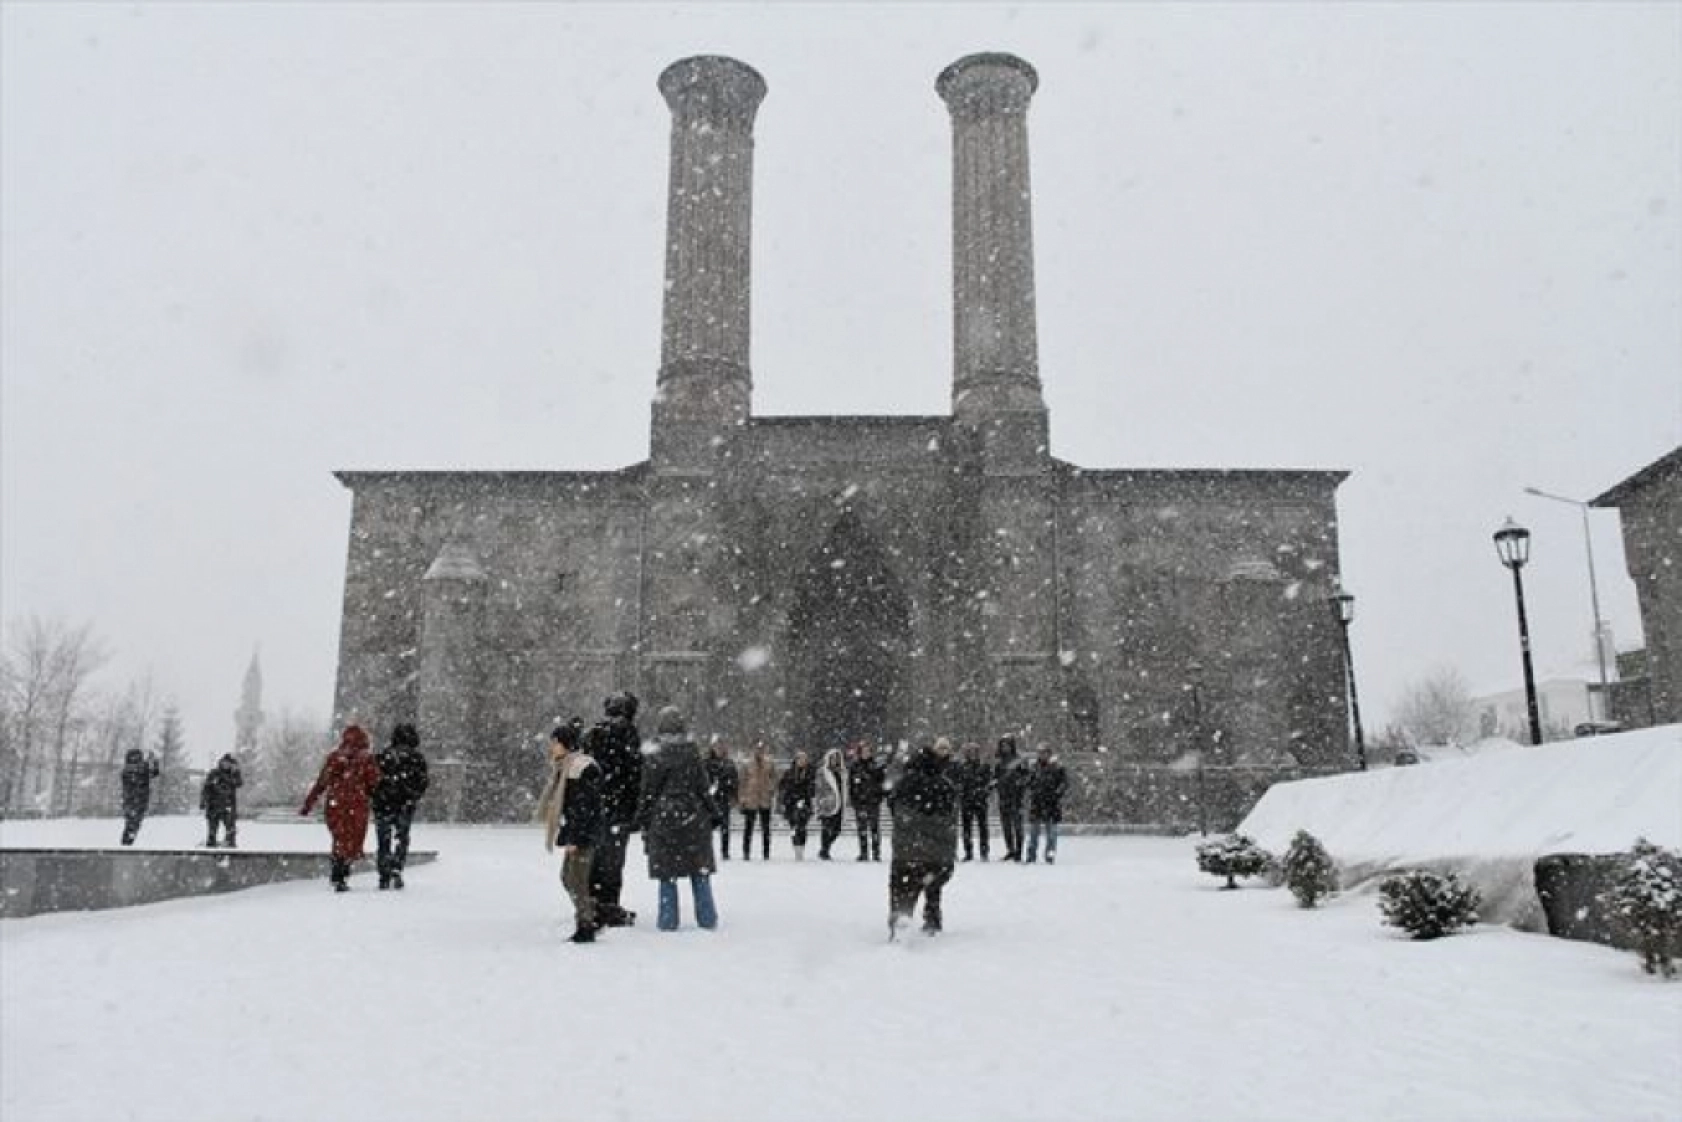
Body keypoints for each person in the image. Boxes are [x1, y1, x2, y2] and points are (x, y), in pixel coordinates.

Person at [635, 707, 719, 931]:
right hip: (694, 816)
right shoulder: (693, 754)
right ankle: (706, 917)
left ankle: (668, 919)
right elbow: (703, 787)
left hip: (664, 819)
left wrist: (642, 817)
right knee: (699, 871)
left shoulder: (655, 755)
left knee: (667, 873)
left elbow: (648, 792)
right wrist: (714, 814)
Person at [537, 722, 604, 943]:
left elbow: (583, 808)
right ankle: (595, 913)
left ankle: (587, 924)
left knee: (576, 880)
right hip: (578, 831)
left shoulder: (579, 768)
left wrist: (576, 838)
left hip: (583, 834)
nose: (552, 747)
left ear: (565, 744)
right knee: (569, 878)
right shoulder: (564, 767)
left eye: (555, 743)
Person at [887, 742, 959, 938]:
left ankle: (900, 916)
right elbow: (951, 817)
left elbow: (893, 806)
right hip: (936, 849)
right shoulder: (945, 786)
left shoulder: (903, 784)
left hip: (907, 846)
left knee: (901, 884)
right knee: (932, 884)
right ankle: (932, 918)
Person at [584, 691, 643, 927]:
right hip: (619, 808)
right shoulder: (628, 733)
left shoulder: (594, 733)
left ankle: (591, 904)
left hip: (595, 808)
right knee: (613, 861)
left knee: (596, 859)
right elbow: (635, 773)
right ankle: (608, 906)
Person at [299, 725, 382, 892]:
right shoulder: (366, 759)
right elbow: (374, 783)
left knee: (339, 838)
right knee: (353, 839)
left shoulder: (335, 757)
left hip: (335, 804)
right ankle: (342, 872)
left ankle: (338, 871)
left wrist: (308, 804)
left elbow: (322, 782)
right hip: (357, 804)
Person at [372, 723, 430, 889]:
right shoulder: (416, 758)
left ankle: (384, 872)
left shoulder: (384, 756)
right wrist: (413, 796)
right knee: (401, 837)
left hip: (383, 804)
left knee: (383, 839)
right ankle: (396, 867)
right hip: (404, 804)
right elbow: (423, 781)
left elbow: (373, 779)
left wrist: (377, 796)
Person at [1025, 744, 1070, 864]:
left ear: (1049, 754)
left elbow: (1064, 784)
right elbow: (1028, 782)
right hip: (1037, 804)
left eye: (1044, 752)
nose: (1042, 755)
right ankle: (1031, 856)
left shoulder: (1058, 768)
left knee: (1052, 835)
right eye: (1040, 753)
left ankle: (1050, 856)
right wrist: (1032, 789)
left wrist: (1056, 793)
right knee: (1033, 834)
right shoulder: (1034, 767)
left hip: (1052, 805)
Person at [848, 740, 890, 862]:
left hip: (873, 802)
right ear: (860, 753)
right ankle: (863, 853)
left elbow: (882, 783)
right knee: (862, 829)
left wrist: (879, 797)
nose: (866, 753)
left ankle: (876, 853)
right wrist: (854, 801)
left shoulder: (877, 765)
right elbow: (851, 785)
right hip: (860, 802)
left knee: (874, 828)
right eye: (864, 751)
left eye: (868, 751)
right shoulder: (855, 766)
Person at [737, 742, 778, 861]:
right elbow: (742, 782)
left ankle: (766, 852)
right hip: (751, 800)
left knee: (766, 828)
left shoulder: (770, 763)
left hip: (765, 799)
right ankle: (746, 852)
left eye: (761, 749)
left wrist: (771, 787)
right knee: (748, 828)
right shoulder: (747, 764)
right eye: (757, 749)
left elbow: (775, 778)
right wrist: (742, 798)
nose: (759, 751)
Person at [955, 742, 993, 862]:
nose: (972, 754)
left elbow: (990, 783)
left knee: (983, 828)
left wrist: (984, 792)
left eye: (974, 752)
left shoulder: (984, 767)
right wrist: (962, 793)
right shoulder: (962, 767)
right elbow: (959, 783)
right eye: (970, 752)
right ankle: (968, 852)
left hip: (981, 801)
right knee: (967, 829)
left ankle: (984, 852)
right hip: (966, 802)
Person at [994, 736, 1028, 862]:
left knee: (1018, 827)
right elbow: (996, 778)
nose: (1005, 748)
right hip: (1003, 797)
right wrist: (995, 784)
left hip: (1016, 798)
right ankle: (1010, 850)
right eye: (1003, 745)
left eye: (1007, 745)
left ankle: (1019, 852)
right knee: (1006, 827)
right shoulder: (999, 762)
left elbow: (1026, 777)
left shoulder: (1019, 761)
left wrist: (1019, 783)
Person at [703, 742, 740, 860]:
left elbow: (735, 780)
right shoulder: (706, 763)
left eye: (721, 747)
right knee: (708, 827)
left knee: (725, 826)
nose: (719, 750)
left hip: (724, 798)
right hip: (710, 799)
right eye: (716, 747)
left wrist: (734, 795)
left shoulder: (729, 764)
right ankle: (707, 850)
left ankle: (725, 851)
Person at [779, 750, 816, 861]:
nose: (801, 761)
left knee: (802, 827)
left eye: (804, 759)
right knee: (793, 827)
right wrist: (785, 798)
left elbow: (812, 788)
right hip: (791, 803)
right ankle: (796, 848)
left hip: (804, 803)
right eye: (799, 759)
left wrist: (806, 796)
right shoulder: (789, 773)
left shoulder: (810, 772)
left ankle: (801, 848)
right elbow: (782, 786)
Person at [200, 753, 243, 848]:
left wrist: (235, 771)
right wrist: (203, 801)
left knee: (231, 830)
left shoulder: (233, 774)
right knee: (212, 831)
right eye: (224, 763)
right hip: (213, 806)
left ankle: (230, 848)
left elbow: (239, 783)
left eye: (228, 763)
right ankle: (211, 847)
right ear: (221, 762)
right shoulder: (214, 773)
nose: (226, 765)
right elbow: (206, 788)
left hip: (228, 806)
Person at [118, 748, 159, 846]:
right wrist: (152, 762)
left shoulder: (129, 770)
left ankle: (127, 843)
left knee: (133, 824)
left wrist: (153, 762)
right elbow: (152, 773)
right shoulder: (131, 770)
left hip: (136, 801)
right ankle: (126, 843)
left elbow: (154, 773)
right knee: (133, 823)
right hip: (135, 800)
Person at [815, 747, 849, 860]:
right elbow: (819, 788)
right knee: (826, 828)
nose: (835, 760)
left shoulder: (842, 772)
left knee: (837, 829)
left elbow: (844, 787)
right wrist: (822, 800)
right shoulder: (822, 772)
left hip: (839, 804)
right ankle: (825, 851)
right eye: (832, 758)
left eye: (837, 758)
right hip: (826, 803)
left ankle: (824, 848)